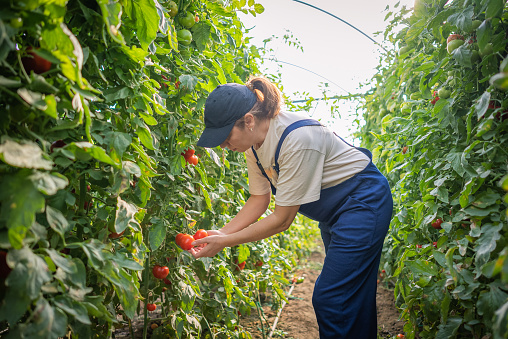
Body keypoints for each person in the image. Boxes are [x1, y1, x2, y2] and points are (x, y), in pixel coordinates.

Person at [190, 76, 393, 339]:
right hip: (338, 212)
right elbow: (259, 200)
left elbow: (282, 219)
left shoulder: (297, 139)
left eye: (226, 136)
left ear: (248, 121)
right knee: (350, 295)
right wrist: (221, 233)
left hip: (363, 203)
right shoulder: (253, 145)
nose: (223, 145)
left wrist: (226, 242)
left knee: (332, 297)